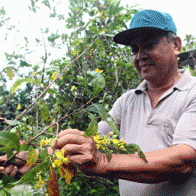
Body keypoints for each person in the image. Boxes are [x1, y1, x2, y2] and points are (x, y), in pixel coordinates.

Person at [1, 9, 196, 196]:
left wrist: (102, 162)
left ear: (176, 45)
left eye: (149, 44)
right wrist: (26, 158)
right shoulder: (127, 101)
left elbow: (183, 160)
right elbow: (91, 141)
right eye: (134, 49)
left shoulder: (192, 92)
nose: (140, 55)